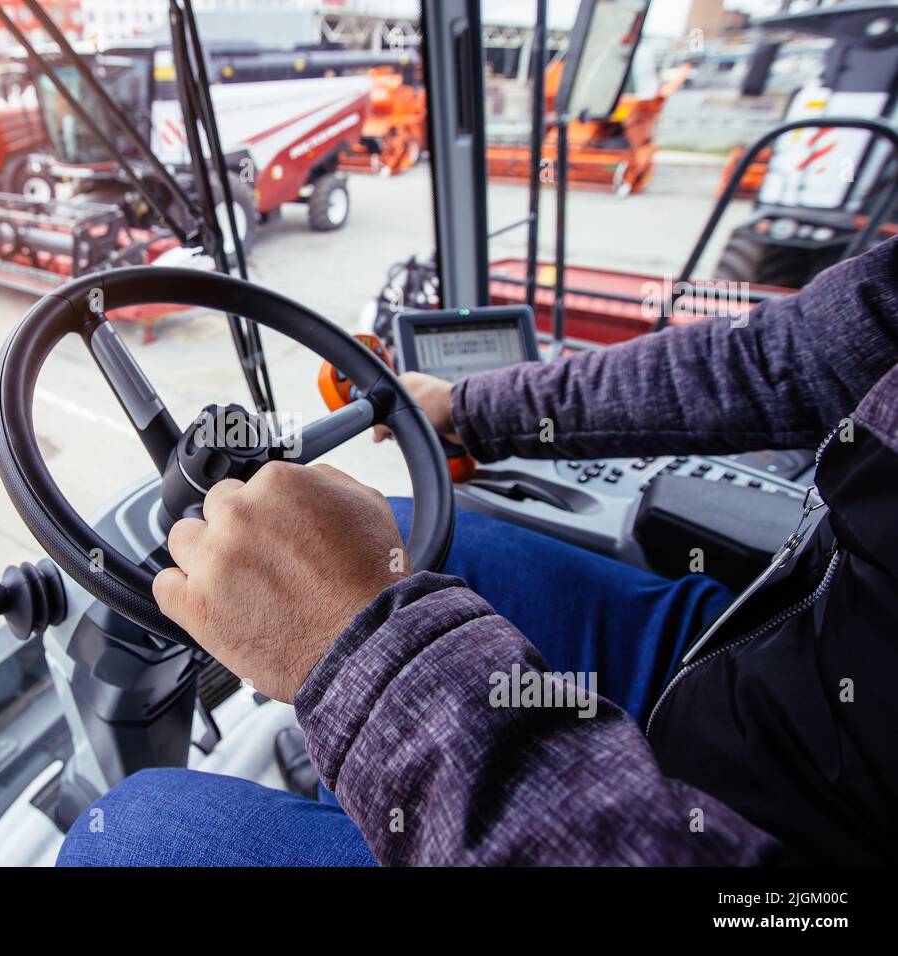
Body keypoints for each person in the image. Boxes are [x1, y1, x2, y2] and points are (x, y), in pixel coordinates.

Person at [57, 238, 898, 867]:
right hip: (762, 655)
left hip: (771, 835)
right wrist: (466, 409)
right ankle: (376, 794)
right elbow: (780, 358)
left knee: (129, 835)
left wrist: (368, 668)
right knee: (386, 533)